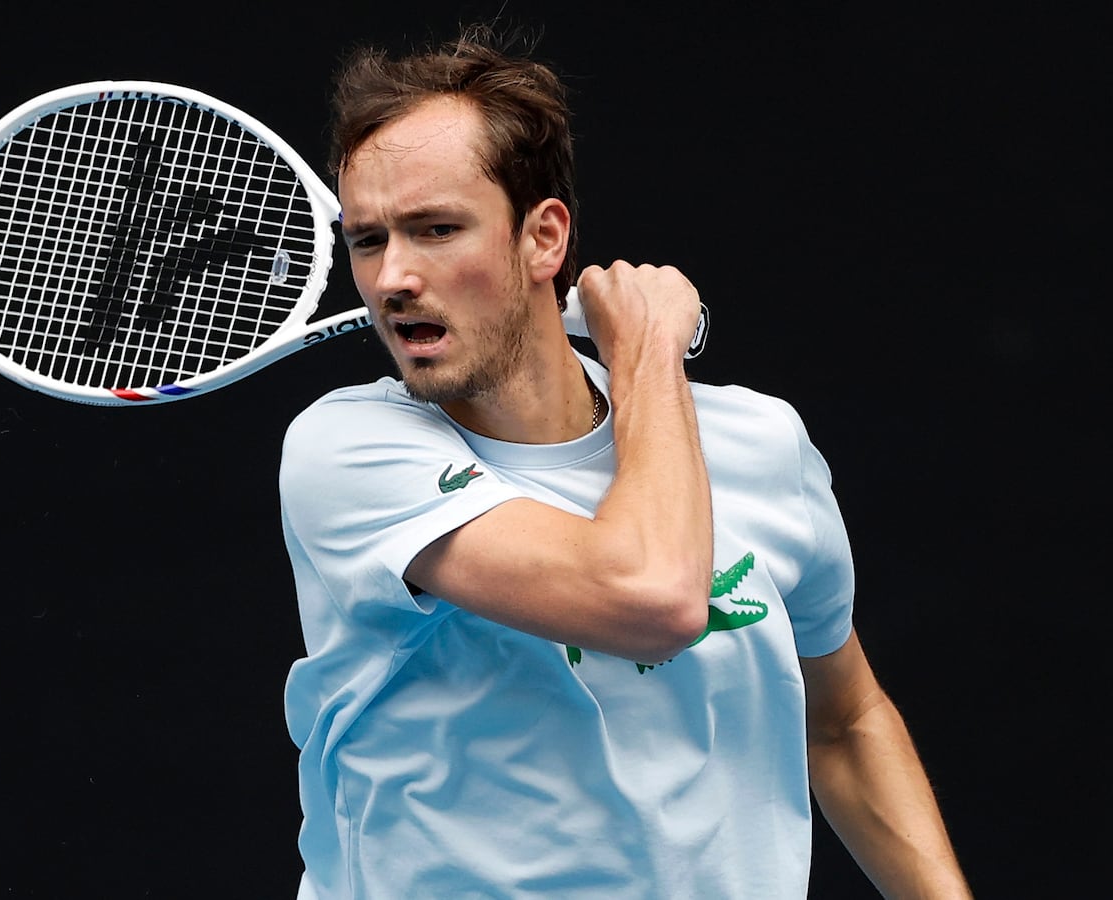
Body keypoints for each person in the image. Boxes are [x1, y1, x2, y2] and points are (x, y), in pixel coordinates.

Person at [277, 22, 971, 899]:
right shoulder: (347, 453)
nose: (392, 279)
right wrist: (648, 348)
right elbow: (650, 599)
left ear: (544, 238)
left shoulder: (758, 445)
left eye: (437, 229)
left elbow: (844, 722)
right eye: (370, 241)